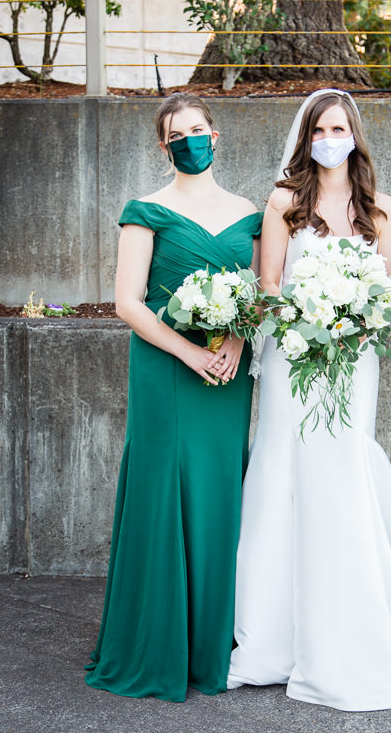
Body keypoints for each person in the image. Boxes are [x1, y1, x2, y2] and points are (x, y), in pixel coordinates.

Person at [227, 89, 391, 711]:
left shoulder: (382, 209)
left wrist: (352, 316)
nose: (330, 138)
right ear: (306, 138)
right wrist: (310, 314)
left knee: (343, 466)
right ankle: (274, 639)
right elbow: (271, 283)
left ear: (355, 136)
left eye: (341, 128)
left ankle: (357, 617)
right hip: (294, 356)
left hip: (354, 359)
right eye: (320, 130)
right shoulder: (285, 201)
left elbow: (388, 294)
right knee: (286, 467)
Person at [85, 92, 262, 702]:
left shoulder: (249, 213)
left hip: (227, 372)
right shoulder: (145, 210)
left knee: (219, 493)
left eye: (197, 129)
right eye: (175, 134)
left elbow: (258, 292)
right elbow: (128, 302)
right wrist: (188, 352)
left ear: (216, 135)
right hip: (168, 368)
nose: (188, 140)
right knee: (165, 491)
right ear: (164, 147)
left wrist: (237, 343)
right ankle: (157, 644)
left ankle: (214, 641)